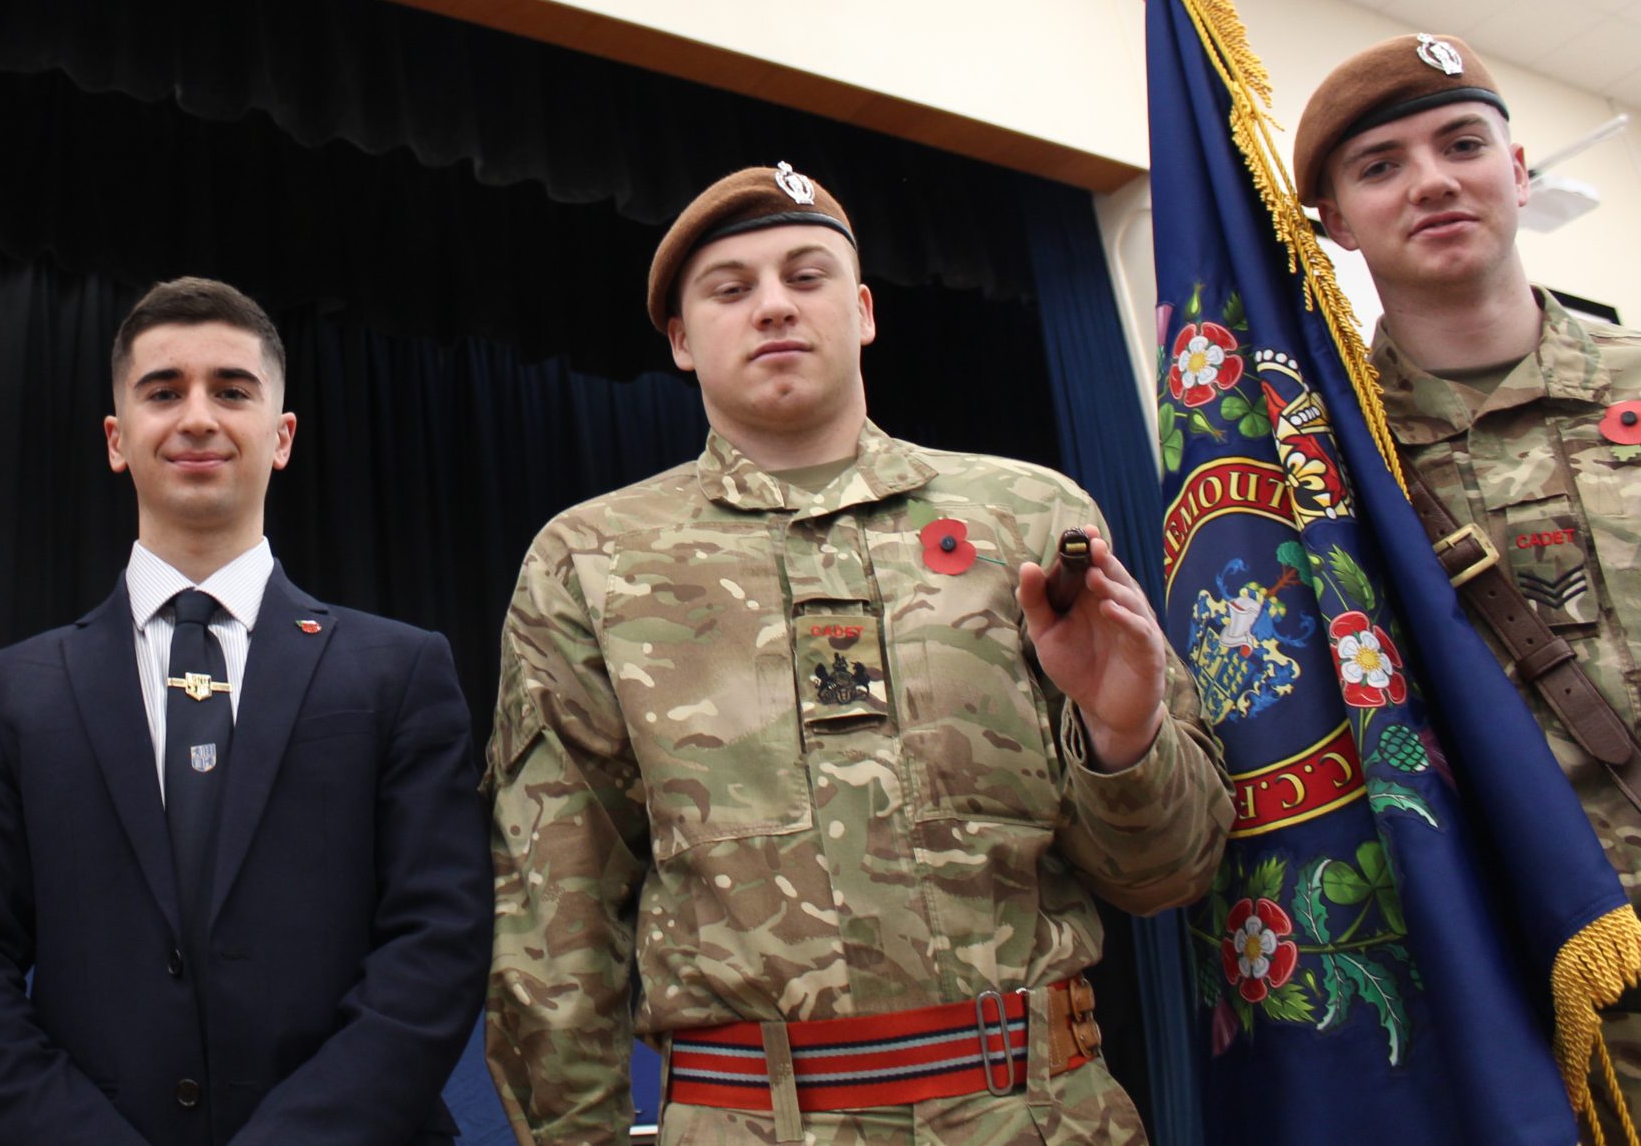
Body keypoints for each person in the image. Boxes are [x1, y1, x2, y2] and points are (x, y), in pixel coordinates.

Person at [486, 162, 1230, 1144]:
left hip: (1040, 1118)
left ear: (865, 311)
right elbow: (554, 911)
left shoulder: (1027, 519)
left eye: (806, 276)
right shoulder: (593, 559)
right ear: (680, 339)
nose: (773, 306)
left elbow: (1165, 877)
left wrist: (1122, 733)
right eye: (730, 288)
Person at [0, 276, 487, 1146]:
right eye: (164, 391)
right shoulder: (10, 693)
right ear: (117, 438)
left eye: (233, 390)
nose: (199, 417)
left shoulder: (400, 671)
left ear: (282, 436)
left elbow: (439, 941)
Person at [1298, 32, 1641, 1092]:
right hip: (1542, 1010)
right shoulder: (1323, 475)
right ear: (1335, 224)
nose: (1434, 181)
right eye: (1381, 166)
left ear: (1518, 170)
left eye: (1462, 144)